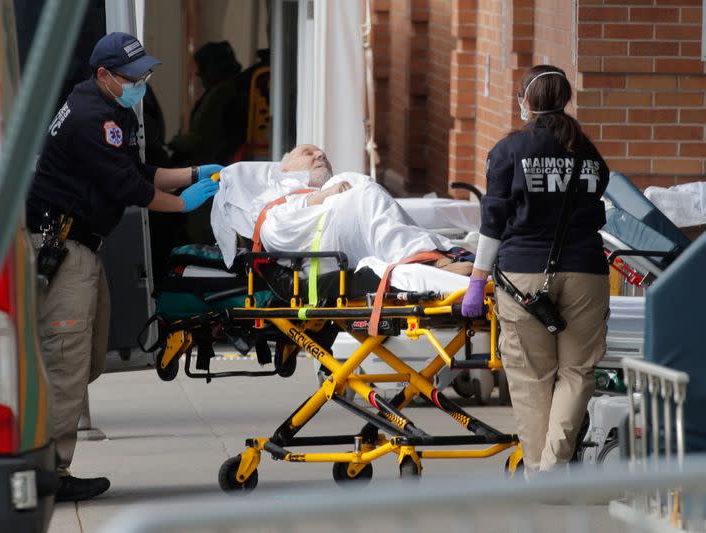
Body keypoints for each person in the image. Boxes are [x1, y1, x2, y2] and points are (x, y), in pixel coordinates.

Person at [25, 32, 222, 502]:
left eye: (145, 74)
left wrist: (195, 174)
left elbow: (140, 172)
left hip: (81, 248)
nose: (142, 82)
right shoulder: (93, 117)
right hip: (62, 247)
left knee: (90, 358)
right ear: (104, 76)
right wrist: (184, 205)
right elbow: (129, 189)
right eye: (134, 77)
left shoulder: (106, 106)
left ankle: (43, 458)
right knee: (68, 360)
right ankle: (51, 474)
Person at [460, 65, 610, 476]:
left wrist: (476, 281)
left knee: (530, 377)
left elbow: (493, 222)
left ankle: (538, 474)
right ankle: (553, 465)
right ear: (564, 99)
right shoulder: (589, 152)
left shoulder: (509, 151)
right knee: (577, 373)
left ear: (526, 101)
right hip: (586, 272)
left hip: (523, 275)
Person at [211, 144, 473, 295]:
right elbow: (280, 229)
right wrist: (323, 196)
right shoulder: (272, 209)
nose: (320, 155)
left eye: (322, 153)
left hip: (341, 241)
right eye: (308, 152)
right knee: (362, 190)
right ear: (285, 169)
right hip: (324, 257)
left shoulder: (336, 189)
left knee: (359, 186)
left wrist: (327, 195)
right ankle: (424, 259)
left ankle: (428, 256)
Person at [169, 41, 245, 166]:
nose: (198, 73)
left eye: (202, 67)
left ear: (215, 67)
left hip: (210, 166)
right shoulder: (229, 89)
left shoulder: (221, 94)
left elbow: (203, 141)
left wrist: (176, 142)